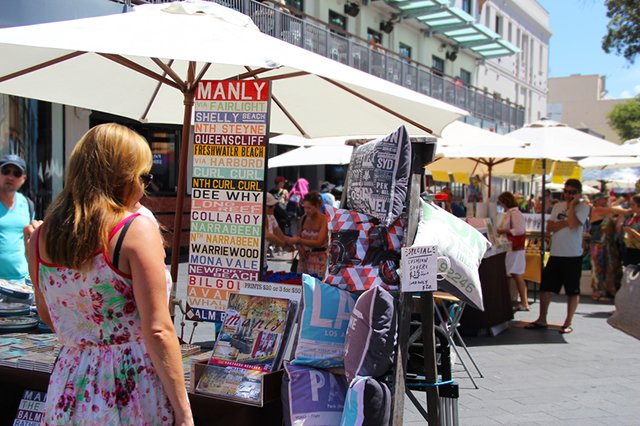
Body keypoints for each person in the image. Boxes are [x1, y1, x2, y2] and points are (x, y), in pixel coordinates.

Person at [26, 123, 193, 425]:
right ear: (123, 176)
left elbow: (47, 313)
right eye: (144, 177)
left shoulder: (39, 239)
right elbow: (158, 330)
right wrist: (184, 414)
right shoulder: (134, 230)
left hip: (69, 382)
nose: (145, 188)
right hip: (131, 383)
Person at [526, 179, 590, 334]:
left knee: (572, 291)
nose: (568, 195)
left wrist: (572, 207)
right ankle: (542, 319)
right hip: (556, 253)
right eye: (566, 191)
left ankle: (568, 322)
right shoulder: (557, 206)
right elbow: (549, 227)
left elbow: (574, 224)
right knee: (546, 287)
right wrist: (565, 223)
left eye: (572, 192)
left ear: (578, 193)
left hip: (572, 254)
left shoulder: (583, 207)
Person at [0, 154, 41, 281]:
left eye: (16, 173)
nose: (10, 177)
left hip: (21, 283)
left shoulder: (28, 204)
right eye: (6, 171)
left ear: (23, 179)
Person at [497, 192, 530, 311]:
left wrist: (504, 231)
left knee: (516, 274)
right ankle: (522, 302)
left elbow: (519, 230)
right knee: (515, 274)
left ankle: (524, 302)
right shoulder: (512, 213)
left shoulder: (514, 214)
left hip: (514, 248)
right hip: (512, 248)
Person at [587, 193, 622, 301]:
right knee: (599, 268)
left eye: (606, 199)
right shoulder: (597, 210)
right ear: (597, 201)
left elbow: (617, 228)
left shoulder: (608, 212)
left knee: (610, 268)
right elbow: (613, 210)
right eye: (603, 199)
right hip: (598, 244)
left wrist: (621, 216)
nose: (605, 201)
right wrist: (620, 203)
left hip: (609, 245)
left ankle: (608, 291)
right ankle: (598, 292)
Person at [285, 191, 328, 278]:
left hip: (319, 259)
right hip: (304, 259)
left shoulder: (324, 220)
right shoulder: (304, 218)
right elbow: (299, 235)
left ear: (317, 206)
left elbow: (319, 242)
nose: (306, 211)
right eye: (305, 208)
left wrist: (299, 240)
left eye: (309, 208)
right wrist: (299, 248)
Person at [264, 192, 289, 262]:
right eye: (270, 206)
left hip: (263, 259)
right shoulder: (256, 218)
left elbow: (278, 233)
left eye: (274, 205)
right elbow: (267, 235)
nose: (274, 208)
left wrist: (290, 243)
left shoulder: (271, 217)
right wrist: (283, 244)